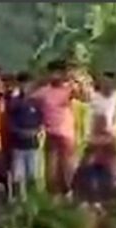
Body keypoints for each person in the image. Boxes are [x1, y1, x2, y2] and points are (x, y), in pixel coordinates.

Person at [34, 60, 88, 196]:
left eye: (59, 72)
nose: (55, 76)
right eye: (53, 72)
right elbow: (29, 99)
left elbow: (86, 97)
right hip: (51, 134)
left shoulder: (69, 89)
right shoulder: (43, 91)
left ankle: (72, 196)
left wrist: (78, 81)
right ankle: (54, 199)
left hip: (66, 136)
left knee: (68, 169)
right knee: (51, 172)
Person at [6, 72, 43, 199]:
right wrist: (19, 132)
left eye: (28, 83)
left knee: (32, 174)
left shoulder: (36, 103)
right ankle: (18, 200)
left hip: (32, 144)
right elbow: (10, 122)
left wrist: (35, 131)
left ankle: (33, 200)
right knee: (18, 175)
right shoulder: (14, 102)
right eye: (23, 83)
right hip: (18, 144)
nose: (26, 86)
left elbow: (40, 121)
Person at [73, 114, 116, 206]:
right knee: (85, 172)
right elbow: (84, 162)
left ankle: (94, 200)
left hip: (107, 173)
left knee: (91, 174)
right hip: (97, 172)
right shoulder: (93, 143)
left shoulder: (110, 141)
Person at [89, 71, 116, 138]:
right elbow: (91, 113)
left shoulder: (115, 96)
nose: (106, 84)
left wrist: (115, 126)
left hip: (109, 130)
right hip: (95, 131)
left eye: (108, 82)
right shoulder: (95, 95)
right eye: (104, 81)